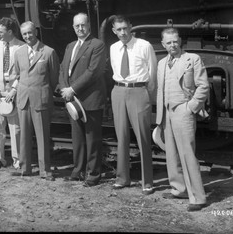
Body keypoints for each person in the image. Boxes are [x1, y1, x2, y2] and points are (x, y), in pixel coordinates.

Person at [156, 28, 208, 212]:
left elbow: (203, 86)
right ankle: (179, 189)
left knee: (187, 154)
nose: (173, 45)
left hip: (183, 111)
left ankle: (198, 198)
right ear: (163, 44)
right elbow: (160, 90)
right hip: (167, 113)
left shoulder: (192, 59)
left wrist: (191, 107)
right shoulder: (161, 63)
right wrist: (160, 116)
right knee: (171, 154)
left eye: (175, 41)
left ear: (180, 41)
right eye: (168, 42)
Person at [109, 15, 156, 195]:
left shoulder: (144, 46)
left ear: (131, 27)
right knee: (121, 136)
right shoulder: (113, 48)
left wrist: (146, 95)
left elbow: (152, 74)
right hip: (119, 91)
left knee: (143, 137)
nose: (122, 32)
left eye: (125, 28)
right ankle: (122, 178)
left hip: (138, 91)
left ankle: (147, 181)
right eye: (118, 29)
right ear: (114, 31)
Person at [59, 13, 107, 185]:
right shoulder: (70, 46)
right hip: (72, 99)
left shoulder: (97, 45)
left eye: (83, 25)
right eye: (77, 26)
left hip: (90, 99)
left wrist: (72, 89)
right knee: (77, 137)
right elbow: (63, 69)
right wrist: (64, 88)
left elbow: (93, 72)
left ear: (89, 26)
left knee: (92, 138)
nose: (80, 28)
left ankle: (93, 174)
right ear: (73, 27)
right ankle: (78, 170)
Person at [9, 21, 59, 180]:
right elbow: (17, 74)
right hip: (23, 99)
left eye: (30, 33)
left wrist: (43, 91)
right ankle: (25, 169)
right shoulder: (19, 52)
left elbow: (53, 78)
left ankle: (45, 171)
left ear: (35, 32)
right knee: (23, 135)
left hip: (40, 99)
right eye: (24, 34)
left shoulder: (49, 52)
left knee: (42, 136)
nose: (27, 36)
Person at [0, 17, 24, 170]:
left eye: (0, 32)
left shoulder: (21, 47)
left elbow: (24, 72)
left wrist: (15, 89)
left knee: (15, 128)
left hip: (14, 93)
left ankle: (17, 159)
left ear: (10, 32)